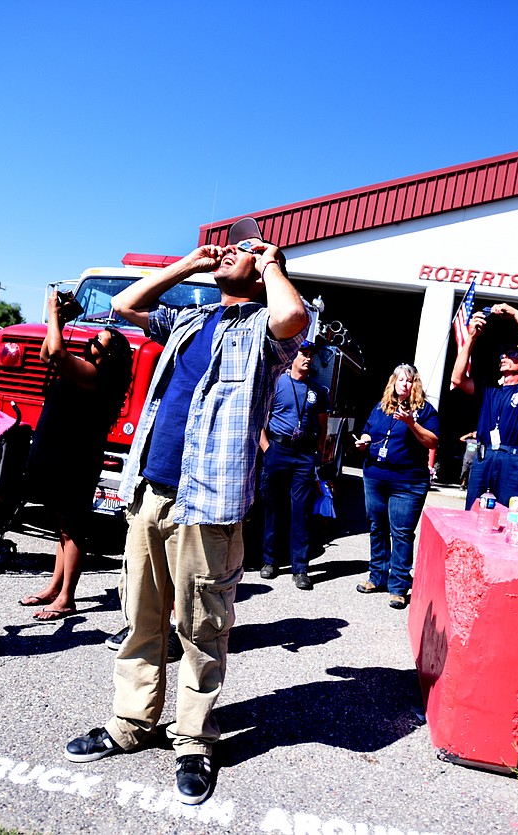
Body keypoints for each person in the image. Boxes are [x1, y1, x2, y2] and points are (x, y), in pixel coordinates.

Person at [63, 217, 309, 806]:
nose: (231, 250)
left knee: (202, 627)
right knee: (141, 615)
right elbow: (124, 305)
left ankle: (195, 739)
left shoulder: (267, 332)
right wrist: (189, 265)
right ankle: (131, 723)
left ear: (264, 262)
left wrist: (271, 263)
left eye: (244, 246)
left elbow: (293, 320)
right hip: (152, 488)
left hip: (212, 499)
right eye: (232, 243)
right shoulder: (193, 318)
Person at [20, 294, 133, 621]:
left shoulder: (98, 377)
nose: (92, 338)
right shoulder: (82, 369)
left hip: (74, 458)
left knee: (73, 528)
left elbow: (56, 352)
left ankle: (66, 598)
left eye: (99, 339)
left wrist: (54, 313)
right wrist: (60, 321)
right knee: (64, 527)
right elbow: (47, 354)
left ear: (109, 353)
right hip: (58, 451)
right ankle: (55, 588)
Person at [354, 363, 440, 609]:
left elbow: (432, 442)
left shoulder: (424, 411)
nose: (404, 384)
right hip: (375, 476)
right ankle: (377, 576)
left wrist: (412, 424)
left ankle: (399, 586)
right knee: (377, 527)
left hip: (408, 482)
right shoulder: (381, 408)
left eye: (409, 380)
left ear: (415, 385)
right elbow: (369, 431)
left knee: (401, 533)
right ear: (392, 382)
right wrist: (365, 440)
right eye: (400, 379)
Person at [450, 303, 518, 511]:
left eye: (511, 355)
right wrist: (471, 338)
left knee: (510, 517)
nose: (504, 357)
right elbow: (457, 379)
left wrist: (515, 314)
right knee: (474, 513)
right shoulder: (491, 390)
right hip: (484, 457)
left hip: (514, 461)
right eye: (503, 355)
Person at [259, 339, 329, 591]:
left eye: (311, 354)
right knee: (273, 508)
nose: (308, 358)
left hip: (303, 457)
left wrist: (317, 452)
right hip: (277, 451)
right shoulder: (277, 382)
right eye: (304, 353)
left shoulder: (318, 391)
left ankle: (300, 568)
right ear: (294, 357)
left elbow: (322, 426)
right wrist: (267, 450)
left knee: (301, 512)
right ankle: (270, 561)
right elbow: (260, 418)